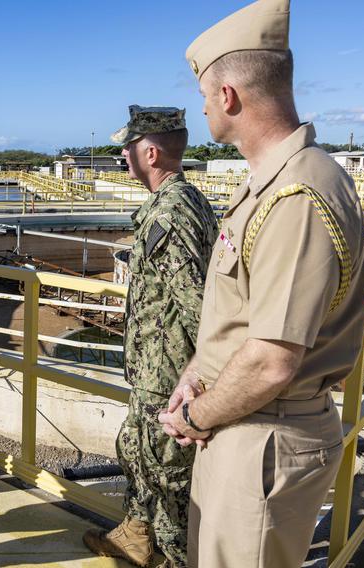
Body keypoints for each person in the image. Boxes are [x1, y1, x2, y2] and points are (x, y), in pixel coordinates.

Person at [158, 1, 364, 566]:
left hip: (263, 438)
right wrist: (194, 378)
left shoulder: (296, 195)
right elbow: (243, 315)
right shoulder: (273, 183)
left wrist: (193, 417)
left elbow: (272, 358)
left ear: (227, 95)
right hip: (243, 425)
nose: (203, 108)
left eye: (204, 96)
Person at [83, 106, 218, 568]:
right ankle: (135, 535)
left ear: (152, 152)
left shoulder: (171, 212)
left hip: (169, 372)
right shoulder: (188, 200)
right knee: (137, 450)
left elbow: (197, 301)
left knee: (169, 477)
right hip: (157, 367)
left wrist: (199, 377)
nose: (123, 155)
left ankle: (178, 557)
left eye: (129, 147)